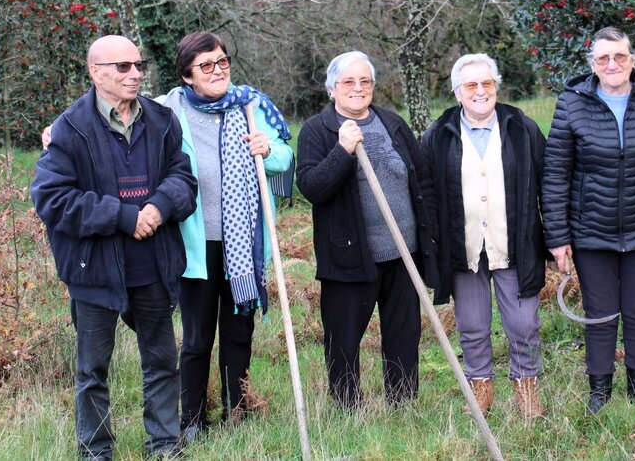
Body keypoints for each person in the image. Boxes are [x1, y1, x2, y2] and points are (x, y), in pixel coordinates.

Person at [31, 35, 198, 459]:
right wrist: (124, 217)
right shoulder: (69, 129)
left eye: (138, 65)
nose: (135, 73)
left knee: (162, 363)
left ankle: (164, 446)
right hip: (95, 270)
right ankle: (95, 451)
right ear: (96, 73)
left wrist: (159, 208)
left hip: (153, 266)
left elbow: (183, 178)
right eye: (123, 67)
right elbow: (52, 199)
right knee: (93, 371)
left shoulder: (161, 120)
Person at [541, 26, 635, 414]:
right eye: (603, 58)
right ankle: (599, 391)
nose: (612, 64)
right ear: (592, 64)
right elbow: (556, 175)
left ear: (633, 60)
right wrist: (557, 237)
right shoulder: (571, 104)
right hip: (591, 232)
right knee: (601, 314)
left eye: (620, 56)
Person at [159, 32, 293, 441]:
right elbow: (117, 117)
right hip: (195, 245)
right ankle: (193, 421)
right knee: (197, 337)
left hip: (243, 244)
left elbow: (288, 156)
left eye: (222, 62)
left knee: (239, 333)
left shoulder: (251, 104)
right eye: (206, 66)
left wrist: (267, 149)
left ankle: (239, 410)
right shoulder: (167, 110)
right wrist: (56, 129)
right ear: (187, 76)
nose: (218, 71)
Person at [295, 51, 438, 408]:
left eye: (365, 81)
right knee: (343, 340)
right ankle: (348, 409)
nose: (358, 88)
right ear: (332, 89)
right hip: (350, 257)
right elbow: (312, 187)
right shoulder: (318, 130)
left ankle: (403, 404)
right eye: (348, 82)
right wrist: (342, 150)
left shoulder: (391, 123)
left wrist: (428, 237)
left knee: (404, 336)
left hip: (403, 252)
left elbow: (421, 179)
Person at [423, 54, 548, 420]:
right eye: (471, 85)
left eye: (487, 83)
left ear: (496, 86)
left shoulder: (521, 128)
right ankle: (481, 388)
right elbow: (427, 193)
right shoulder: (439, 134)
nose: (480, 91)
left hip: (515, 247)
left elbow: (548, 184)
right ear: (457, 92)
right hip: (464, 251)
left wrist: (556, 238)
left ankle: (527, 388)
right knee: (473, 325)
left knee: (524, 324)